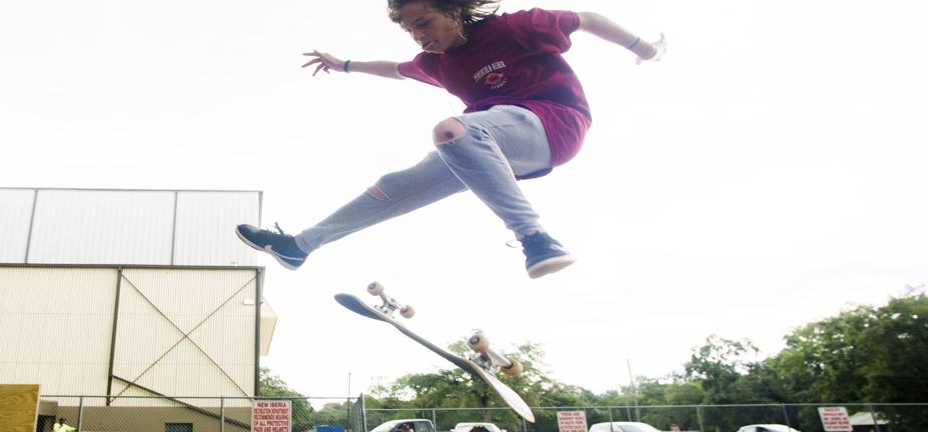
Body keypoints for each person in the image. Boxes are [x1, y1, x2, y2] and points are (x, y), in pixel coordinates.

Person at [236, 1, 664, 279]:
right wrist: (344, 64)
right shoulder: (437, 63)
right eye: (410, 30)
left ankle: (536, 238)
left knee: (453, 129)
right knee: (395, 185)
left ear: (454, 10)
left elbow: (587, 19)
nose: (420, 35)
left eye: (424, 23)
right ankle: (299, 246)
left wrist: (643, 48)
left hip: (555, 124)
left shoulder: (517, 27)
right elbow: (394, 68)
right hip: (489, 144)